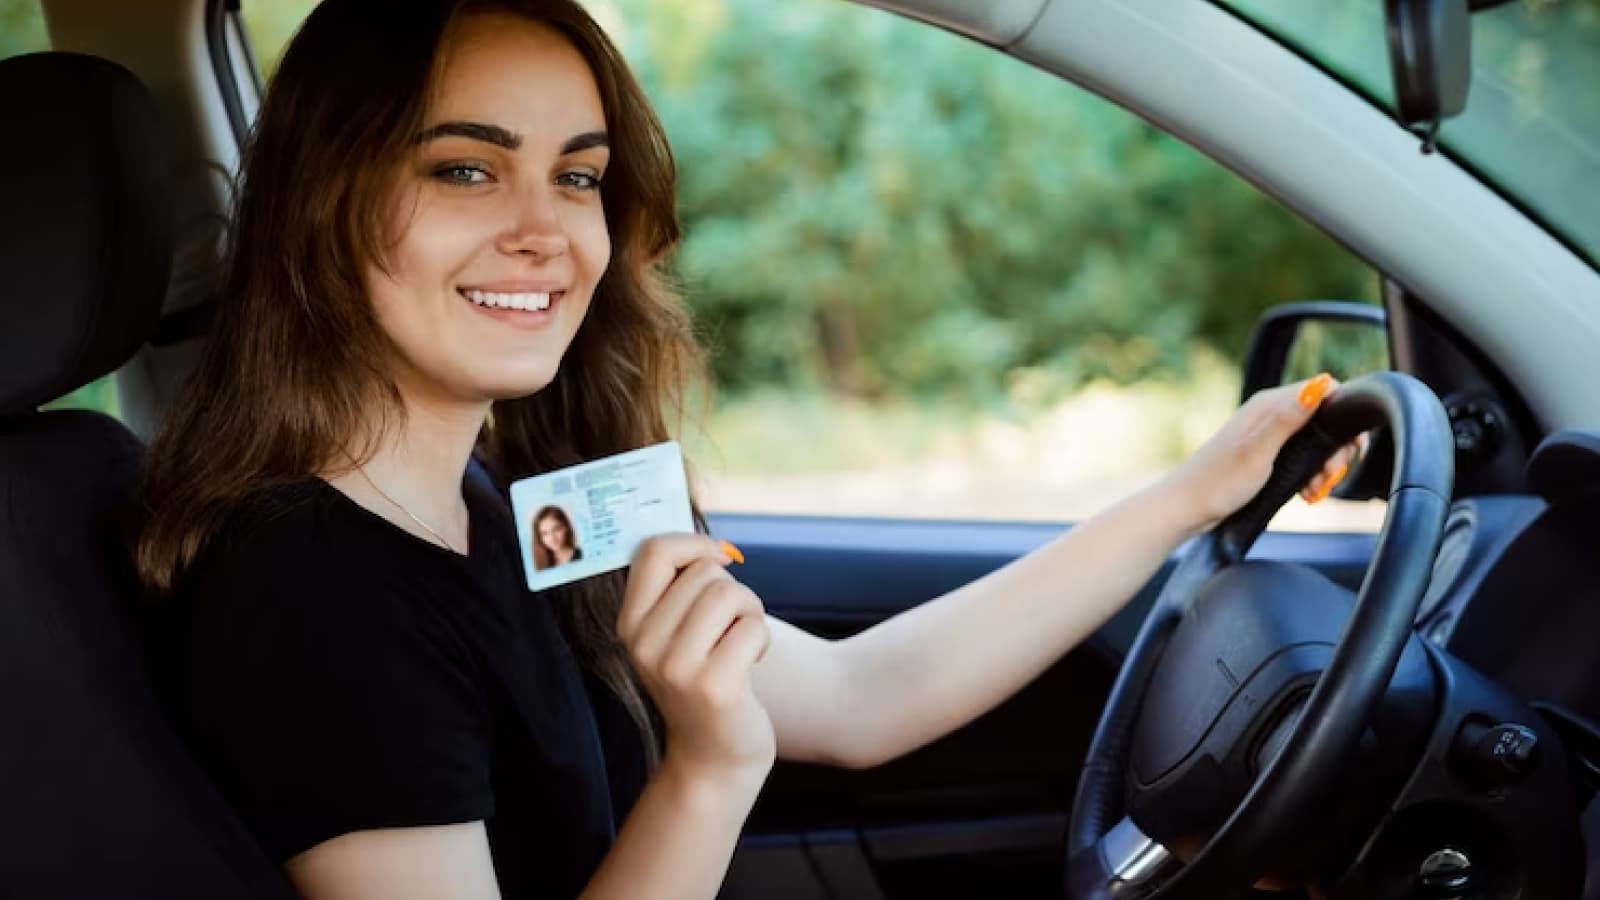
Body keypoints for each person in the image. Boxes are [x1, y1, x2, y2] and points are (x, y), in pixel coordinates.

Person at [133, 1, 1362, 898]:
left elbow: (859, 696)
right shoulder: (315, 591)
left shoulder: (501, 506)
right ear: (320, 205)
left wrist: (1189, 497)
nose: (544, 231)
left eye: (577, 178)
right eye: (465, 169)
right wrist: (710, 770)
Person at [533, 504, 583, 569]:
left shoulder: (583, 555)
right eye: (545, 533)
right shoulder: (540, 564)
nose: (552, 538)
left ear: (566, 527)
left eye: (556, 529)